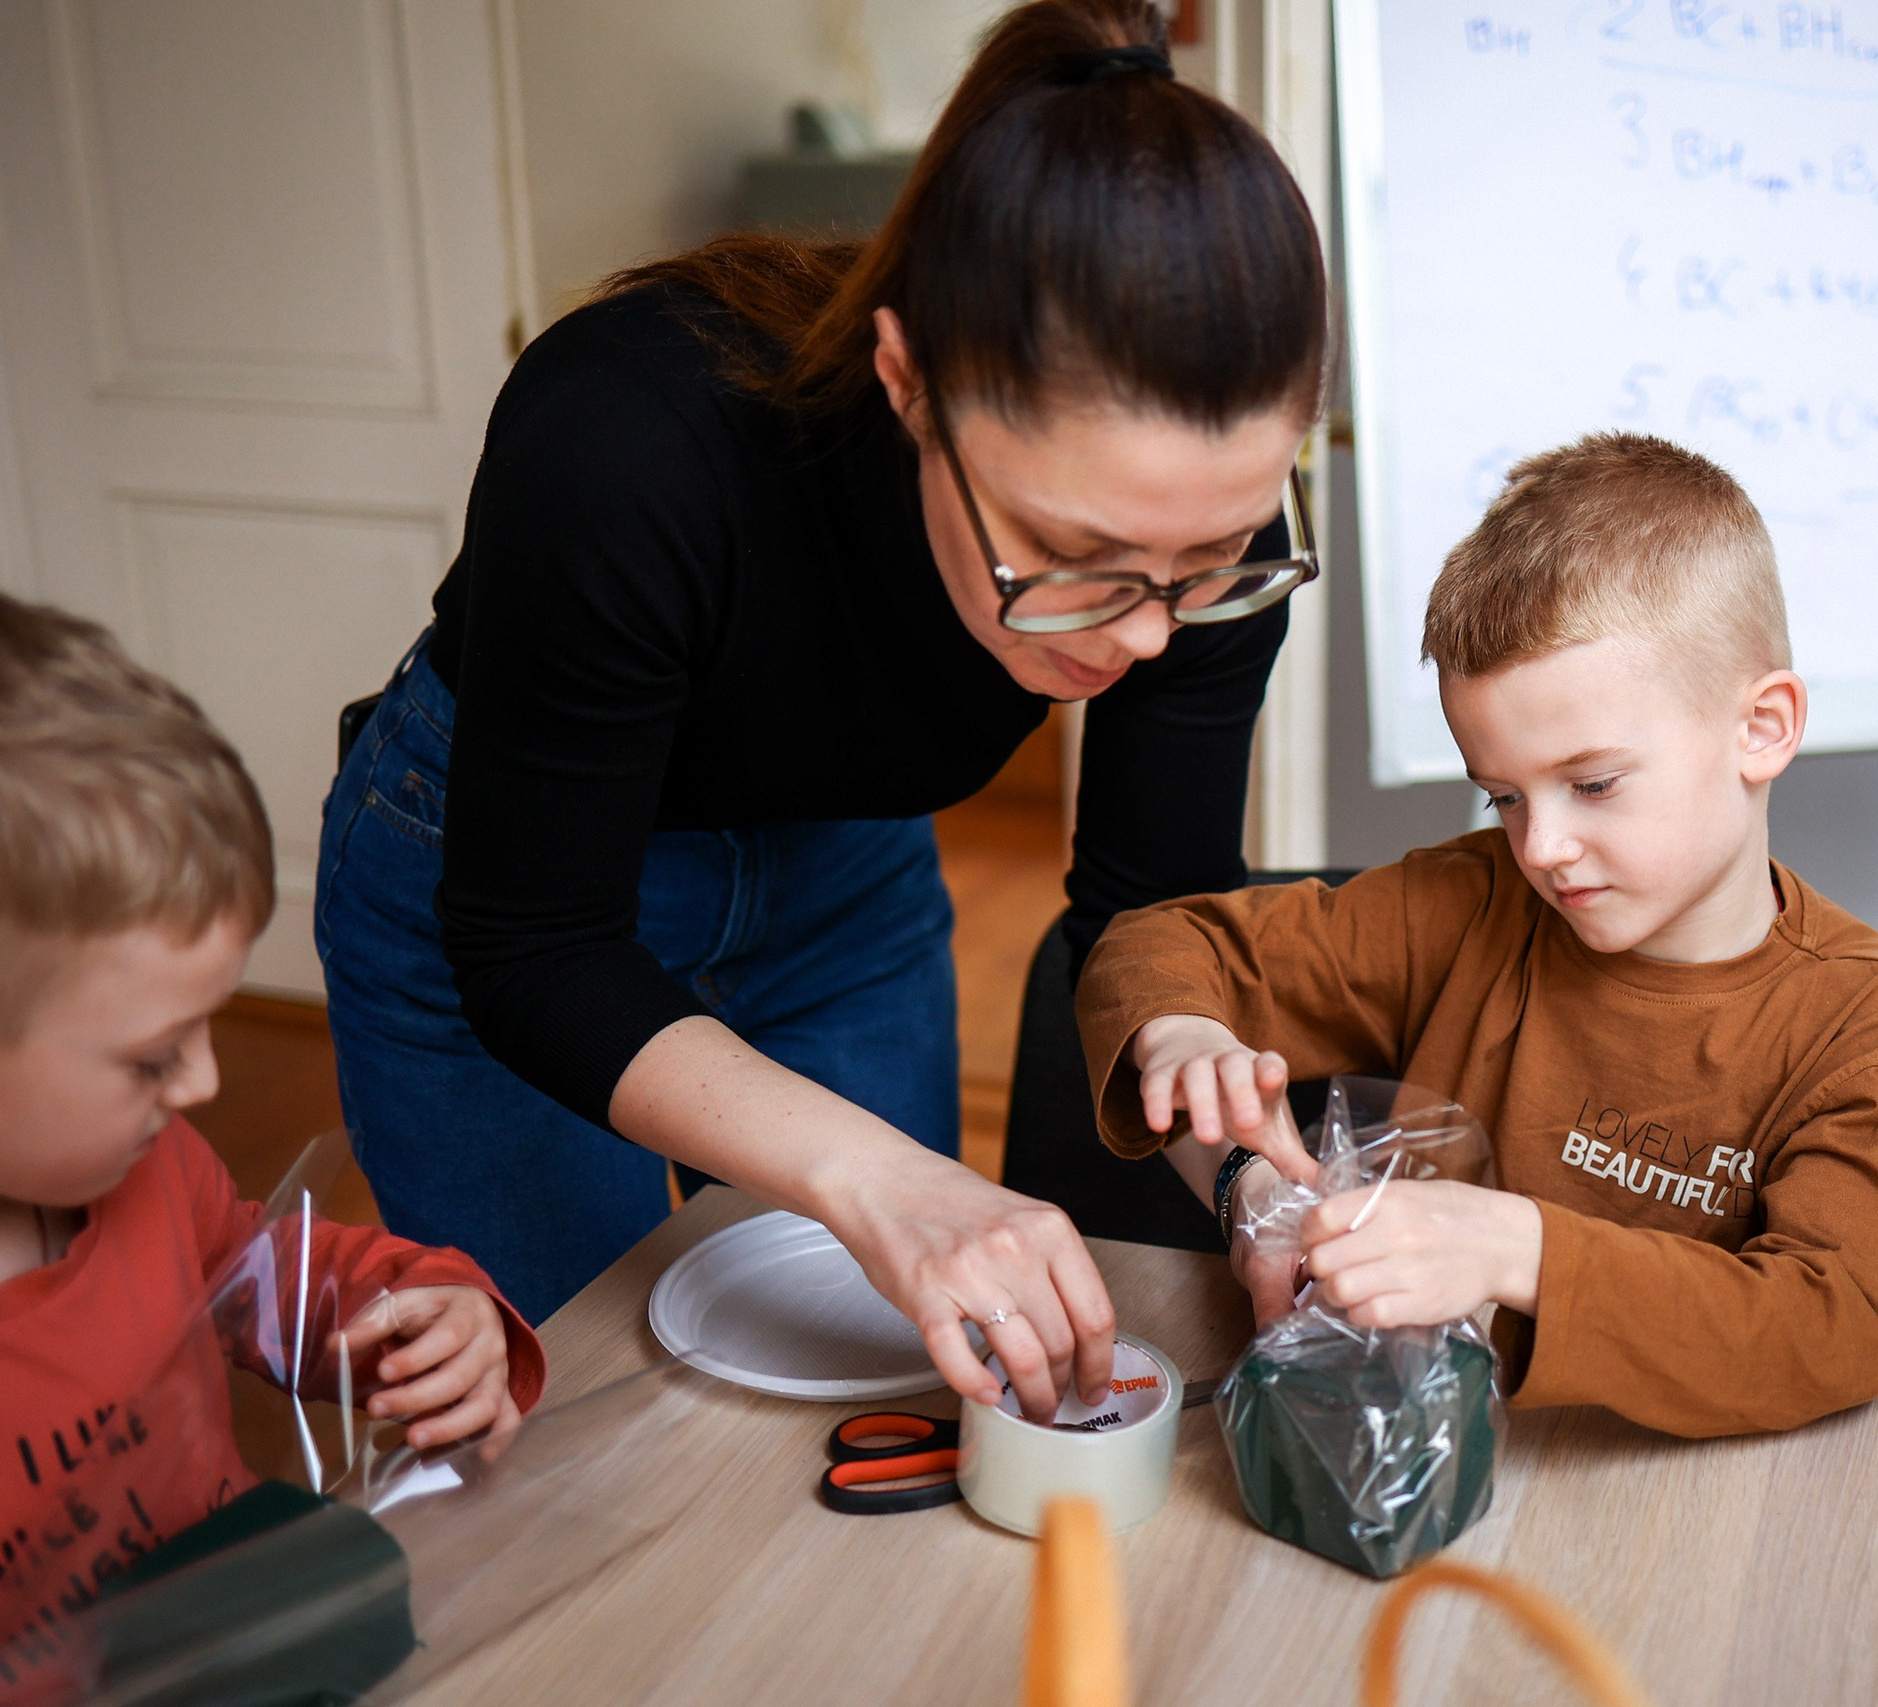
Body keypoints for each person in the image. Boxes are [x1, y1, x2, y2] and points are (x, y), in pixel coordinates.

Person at [314, 0, 1328, 1418]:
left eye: (1205, 561)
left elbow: (1146, 898)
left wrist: (1234, 1150)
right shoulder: (627, 440)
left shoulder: (1206, 532)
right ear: (911, 382)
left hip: (835, 864)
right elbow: (537, 943)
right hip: (502, 881)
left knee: (873, 1391)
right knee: (570, 1422)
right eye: (1078, 562)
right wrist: (891, 1180)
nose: (1151, 631)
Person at [1075, 434, 1878, 1438]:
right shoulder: (1469, 905)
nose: (1543, 847)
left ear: (1761, 728)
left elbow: (1841, 1323)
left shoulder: (1863, 1022)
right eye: (1502, 797)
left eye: (1592, 785)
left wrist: (1517, 1250)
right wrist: (1187, 1037)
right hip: (1420, 1465)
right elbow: (1154, 944)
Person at [0, 595, 546, 1668]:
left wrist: (432, 1317)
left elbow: (270, 1274)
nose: (203, 1079)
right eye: (152, 1055)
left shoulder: (149, 1172)